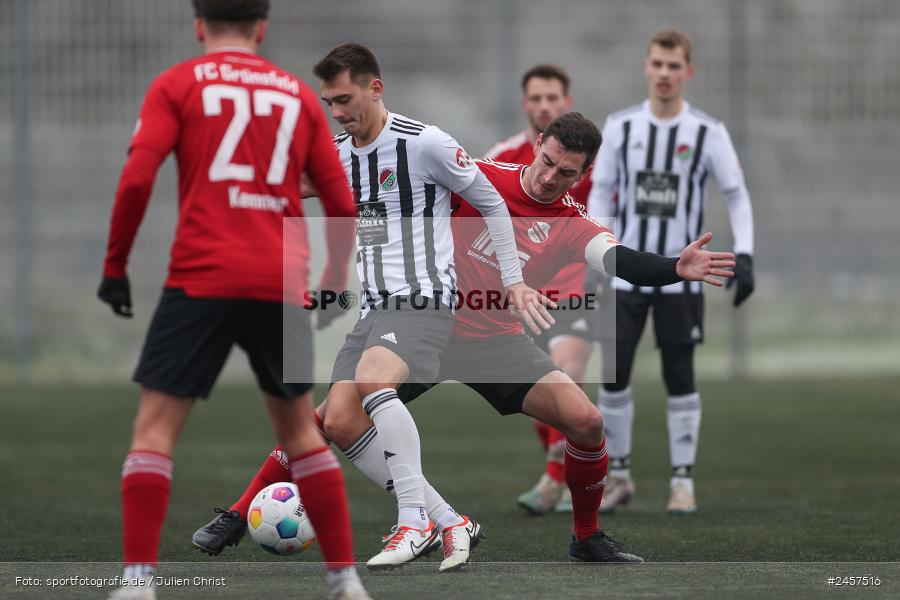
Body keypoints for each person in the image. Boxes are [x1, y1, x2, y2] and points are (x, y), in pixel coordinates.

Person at [195, 112, 736, 565]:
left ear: (583, 174)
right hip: (424, 322)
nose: (550, 178)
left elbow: (620, 260)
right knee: (331, 420)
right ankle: (238, 514)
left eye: (567, 173)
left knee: (589, 421)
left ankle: (587, 537)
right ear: (536, 148)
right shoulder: (476, 177)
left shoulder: (573, 222)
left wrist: (673, 267)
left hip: (495, 342)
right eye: (546, 162)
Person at [191, 42, 551, 572]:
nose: (336, 112)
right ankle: (449, 520)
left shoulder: (426, 143)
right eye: (329, 103)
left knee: (375, 381)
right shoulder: (340, 152)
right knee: (337, 421)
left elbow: (492, 202)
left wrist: (514, 282)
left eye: (343, 99)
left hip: (425, 299)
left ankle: (412, 521)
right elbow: (305, 189)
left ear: (374, 88)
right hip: (375, 308)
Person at [97, 3, 369, 599]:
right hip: (280, 279)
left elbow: (137, 177)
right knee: (301, 431)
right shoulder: (297, 95)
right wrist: (329, 278)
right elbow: (341, 202)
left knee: (155, 431)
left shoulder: (177, 84)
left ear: (199, 24)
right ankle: (346, 581)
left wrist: (116, 265)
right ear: (262, 27)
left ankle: (139, 584)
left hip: (202, 277)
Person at [587, 28, 755, 515]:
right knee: (614, 375)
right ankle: (618, 475)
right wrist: (599, 247)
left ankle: (682, 481)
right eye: (657, 64)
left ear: (688, 72)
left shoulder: (707, 132)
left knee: (679, 372)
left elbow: (736, 193)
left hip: (683, 275)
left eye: (673, 65)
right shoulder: (620, 126)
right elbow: (602, 191)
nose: (664, 73)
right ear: (646, 67)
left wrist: (745, 255)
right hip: (624, 274)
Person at [484, 65, 598, 515]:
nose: (544, 105)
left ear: (564, 103)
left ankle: (559, 477)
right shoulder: (502, 156)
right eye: (536, 98)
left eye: (553, 97)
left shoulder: (591, 159)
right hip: (521, 292)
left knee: (566, 370)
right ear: (526, 105)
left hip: (577, 286)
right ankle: (569, 468)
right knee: (538, 394)